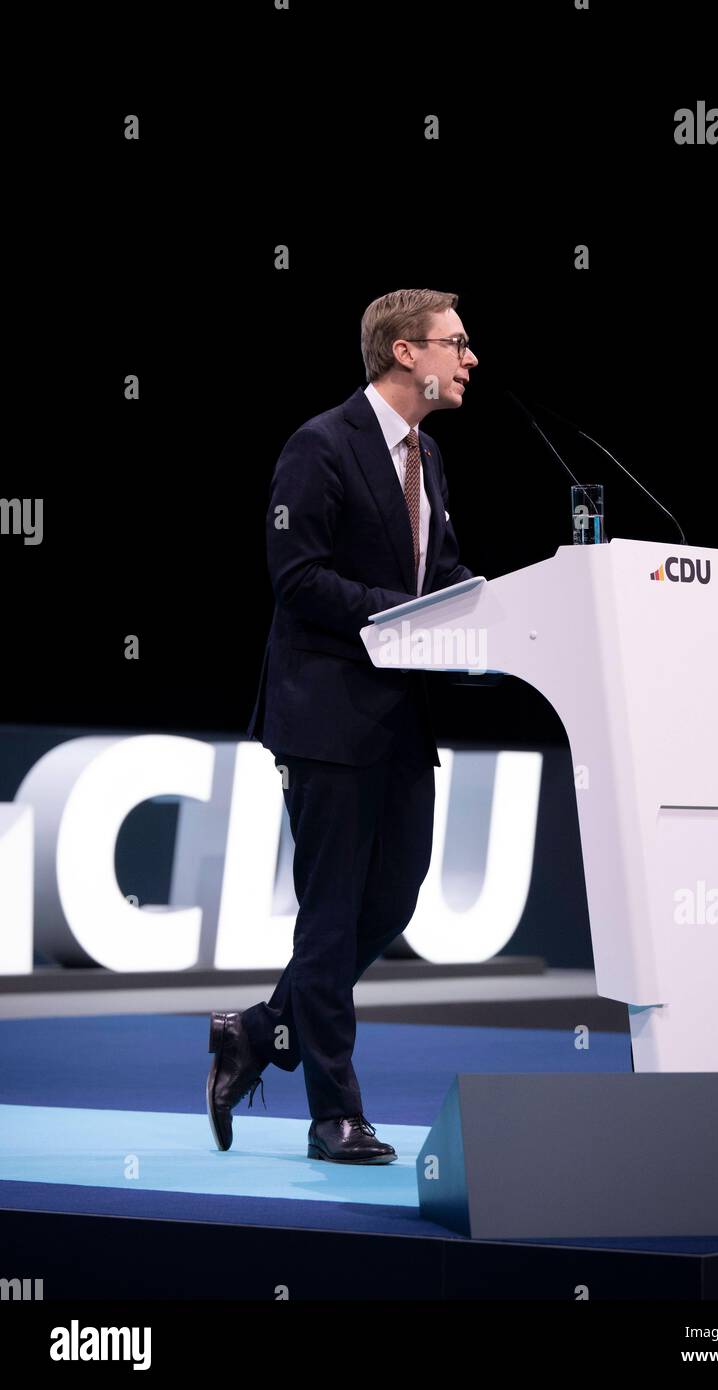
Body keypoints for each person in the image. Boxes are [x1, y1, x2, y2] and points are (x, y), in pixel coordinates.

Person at [207, 288, 478, 1163]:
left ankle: (257, 1030)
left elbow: (443, 571)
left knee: (391, 901)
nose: (469, 359)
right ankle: (335, 1116)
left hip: (401, 720)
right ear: (405, 352)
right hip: (325, 716)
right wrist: (409, 614)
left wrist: (494, 609)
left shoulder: (428, 457)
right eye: (456, 343)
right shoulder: (319, 444)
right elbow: (298, 577)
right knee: (329, 918)